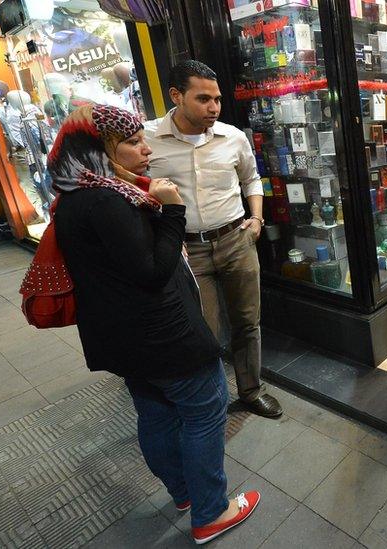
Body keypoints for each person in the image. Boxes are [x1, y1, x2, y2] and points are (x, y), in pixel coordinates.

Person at [48, 104, 260, 544]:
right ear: (100, 150)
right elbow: (152, 271)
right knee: (205, 410)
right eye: (130, 142)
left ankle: (184, 493)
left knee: (156, 412)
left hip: (123, 340)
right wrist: (173, 211)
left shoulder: (73, 197)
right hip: (164, 338)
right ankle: (211, 511)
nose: (145, 149)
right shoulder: (109, 202)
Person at [144, 60, 282, 419]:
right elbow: (137, 192)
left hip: (236, 238)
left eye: (217, 99)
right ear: (176, 96)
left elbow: (252, 179)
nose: (214, 108)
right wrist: (165, 235)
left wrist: (256, 218)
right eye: (203, 99)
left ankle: (251, 390)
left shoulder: (232, 136)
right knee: (203, 330)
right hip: (188, 249)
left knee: (248, 320)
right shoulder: (147, 139)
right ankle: (211, 400)